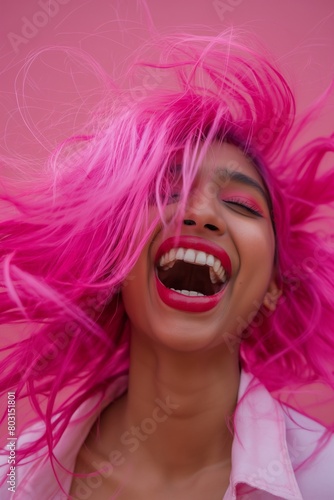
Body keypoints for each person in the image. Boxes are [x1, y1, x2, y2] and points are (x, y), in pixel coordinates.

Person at [0, 31, 334, 499]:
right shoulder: (12, 476)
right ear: (113, 253)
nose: (199, 214)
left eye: (241, 204)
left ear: (275, 283)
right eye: (169, 192)